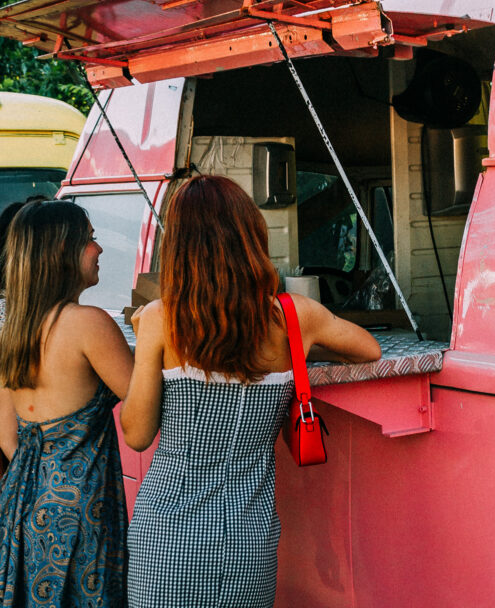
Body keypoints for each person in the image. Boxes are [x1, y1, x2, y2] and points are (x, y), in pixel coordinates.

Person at [121, 174, 381, 608]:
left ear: (179, 248)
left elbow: (137, 433)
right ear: (251, 236)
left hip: (168, 533)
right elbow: (369, 349)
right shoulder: (295, 317)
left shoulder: (160, 319)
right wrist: (303, 348)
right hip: (249, 538)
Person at [0, 199, 134, 606]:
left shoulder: (14, 329)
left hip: (22, 505)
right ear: (63, 249)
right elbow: (146, 402)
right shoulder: (87, 323)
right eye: (90, 239)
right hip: (82, 511)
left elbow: (7, 437)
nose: (99, 248)